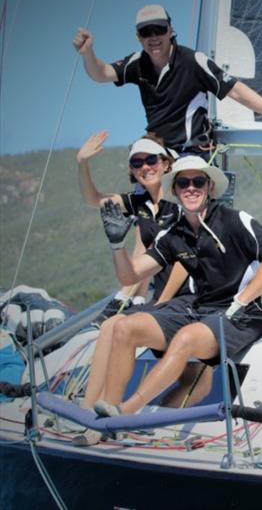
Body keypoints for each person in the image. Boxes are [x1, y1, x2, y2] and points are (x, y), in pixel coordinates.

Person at [91, 156, 262, 418]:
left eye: (198, 181)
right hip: (198, 309)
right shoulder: (174, 233)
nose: (191, 187)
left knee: (185, 338)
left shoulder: (234, 220)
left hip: (240, 316)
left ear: (210, 188)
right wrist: (117, 245)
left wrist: (241, 301)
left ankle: (125, 411)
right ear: (174, 190)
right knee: (124, 328)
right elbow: (130, 276)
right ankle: (106, 419)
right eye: (183, 182)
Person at [73, 134, 213, 445]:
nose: (145, 167)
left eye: (151, 160)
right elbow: (93, 200)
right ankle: (88, 414)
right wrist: (82, 163)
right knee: (110, 326)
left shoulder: (180, 202)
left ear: (166, 164)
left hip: (186, 300)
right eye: (137, 163)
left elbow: (183, 261)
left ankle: (114, 419)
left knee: (199, 381)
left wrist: (159, 303)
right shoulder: (141, 204)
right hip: (163, 301)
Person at [72, 5, 262, 157]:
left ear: (170, 30)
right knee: (140, 162)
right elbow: (100, 73)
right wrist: (88, 53)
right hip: (160, 152)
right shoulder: (137, 63)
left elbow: (235, 90)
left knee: (184, 188)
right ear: (138, 37)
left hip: (193, 151)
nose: (153, 37)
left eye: (159, 29)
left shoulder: (193, 61)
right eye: (146, 32)